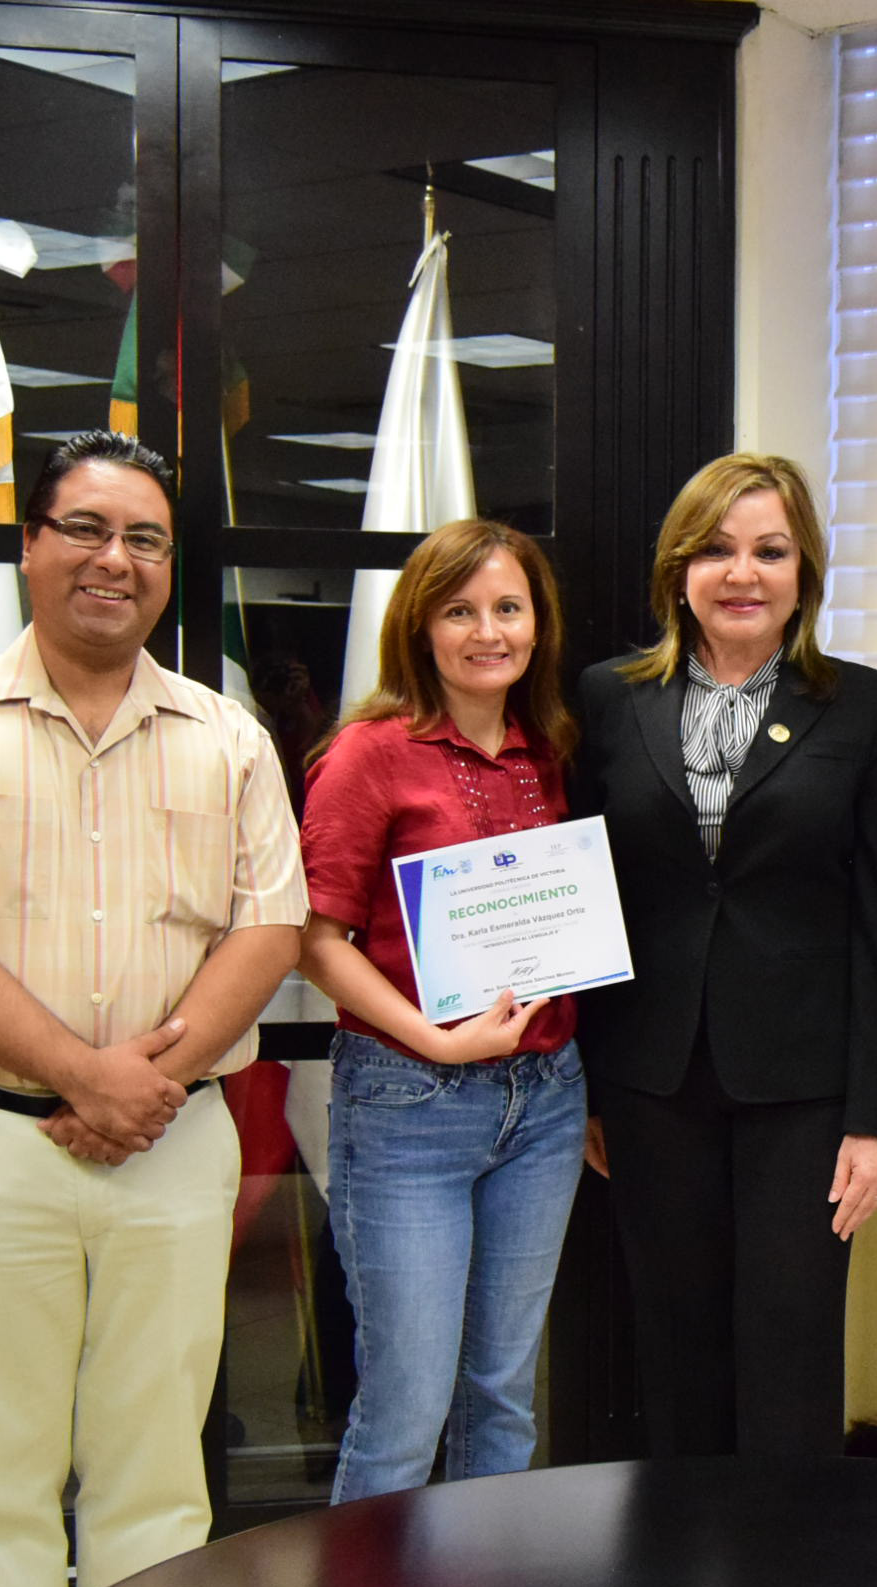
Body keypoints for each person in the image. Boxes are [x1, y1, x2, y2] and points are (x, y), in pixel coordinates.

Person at [0, 431, 305, 1587]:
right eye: (86, 528)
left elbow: (269, 930)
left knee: (158, 1477)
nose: (115, 559)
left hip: (172, 1141)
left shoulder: (231, 737)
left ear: (169, 565)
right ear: (29, 545)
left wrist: (144, 1085)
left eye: (145, 538)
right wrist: (86, 1075)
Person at [575, 452, 877, 1457]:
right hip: (651, 1079)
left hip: (804, 1092)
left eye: (770, 551)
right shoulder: (608, 698)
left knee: (790, 1352)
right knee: (675, 1349)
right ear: (677, 570)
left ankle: (788, 1550)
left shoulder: (864, 706)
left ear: (804, 571)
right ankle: (687, 1548)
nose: (742, 573)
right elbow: (589, 895)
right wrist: (588, 1084)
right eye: (716, 550)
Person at [295, 519, 590, 1501]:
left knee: (501, 1399)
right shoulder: (368, 754)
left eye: (509, 608)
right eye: (460, 611)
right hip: (409, 1101)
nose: (488, 632)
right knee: (405, 1411)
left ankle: (482, 1585)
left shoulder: (551, 750)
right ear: (419, 626)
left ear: (539, 624)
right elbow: (314, 939)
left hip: (544, 1101)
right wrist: (434, 1039)